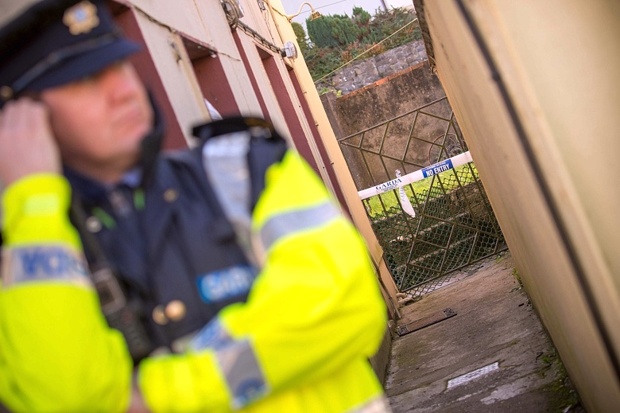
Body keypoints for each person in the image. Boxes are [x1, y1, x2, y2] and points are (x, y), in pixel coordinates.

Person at [0, 0, 390, 412]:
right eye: (87, 80)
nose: (123, 91)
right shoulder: (30, 244)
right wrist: (33, 202)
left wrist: (160, 395)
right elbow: (62, 398)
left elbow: (345, 306)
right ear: (24, 121)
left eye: (118, 66)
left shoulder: (245, 168)